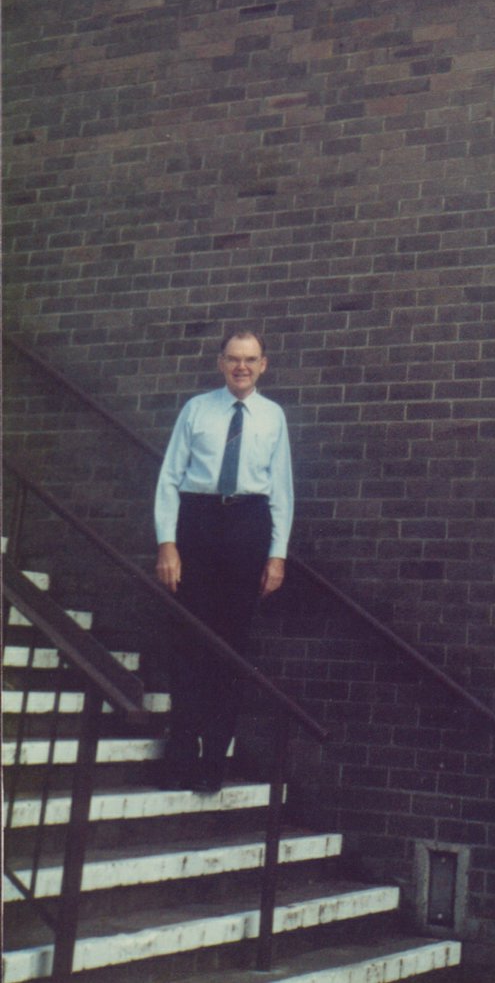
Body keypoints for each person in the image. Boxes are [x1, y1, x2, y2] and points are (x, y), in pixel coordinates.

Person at [153, 328, 293, 792]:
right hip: (197, 523)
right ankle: (181, 752)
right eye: (233, 359)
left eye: (250, 360)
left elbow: (281, 491)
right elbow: (170, 477)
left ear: (263, 365)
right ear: (220, 363)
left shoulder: (273, 417)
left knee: (231, 645)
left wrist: (277, 555)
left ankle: (215, 756)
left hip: (246, 526)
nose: (241, 367)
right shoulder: (196, 409)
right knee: (188, 637)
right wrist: (167, 543)